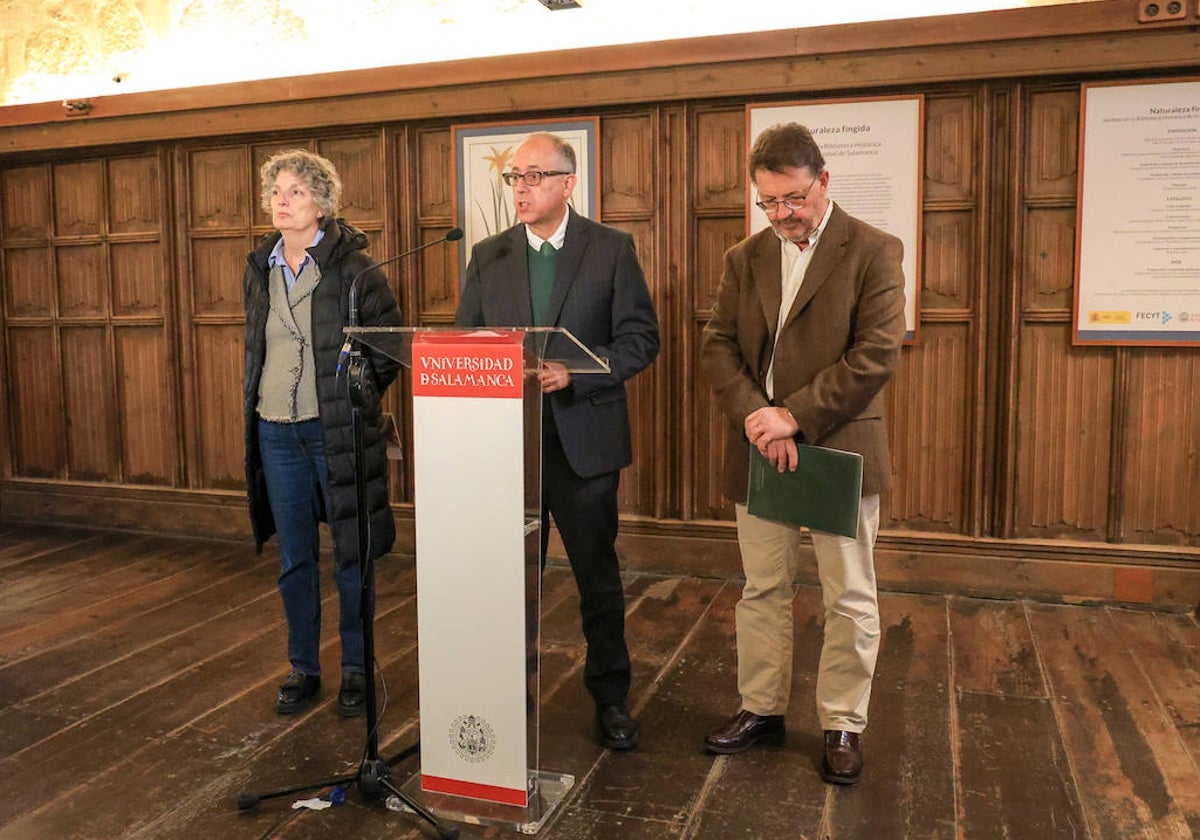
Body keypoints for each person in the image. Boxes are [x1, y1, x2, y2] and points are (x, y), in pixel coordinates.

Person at [699, 122, 905, 785]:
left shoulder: (874, 249)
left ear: (822, 181)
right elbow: (717, 345)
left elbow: (876, 353)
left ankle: (844, 720)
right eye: (768, 202)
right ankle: (761, 708)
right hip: (760, 447)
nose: (783, 214)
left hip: (837, 448)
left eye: (793, 198)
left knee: (849, 595)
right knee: (762, 588)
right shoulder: (745, 256)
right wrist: (758, 415)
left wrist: (796, 415)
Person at [455, 132, 659, 750]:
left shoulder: (612, 249)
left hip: (584, 444)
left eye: (534, 176)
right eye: (514, 177)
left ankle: (611, 695)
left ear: (568, 183)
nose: (521, 187)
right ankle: (504, 688)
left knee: (596, 576)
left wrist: (580, 368)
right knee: (510, 577)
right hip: (508, 445)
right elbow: (465, 344)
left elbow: (639, 339)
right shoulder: (489, 255)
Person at [243, 149, 402, 718]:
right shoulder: (259, 265)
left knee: (350, 556)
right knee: (295, 558)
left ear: (322, 204)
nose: (283, 202)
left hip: (333, 428)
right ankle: (303, 667)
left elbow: (388, 348)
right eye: (277, 192)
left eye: (296, 193)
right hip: (275, 430)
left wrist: (351, 398)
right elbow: (260, 346)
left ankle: (357, 668)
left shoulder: (356, 269)